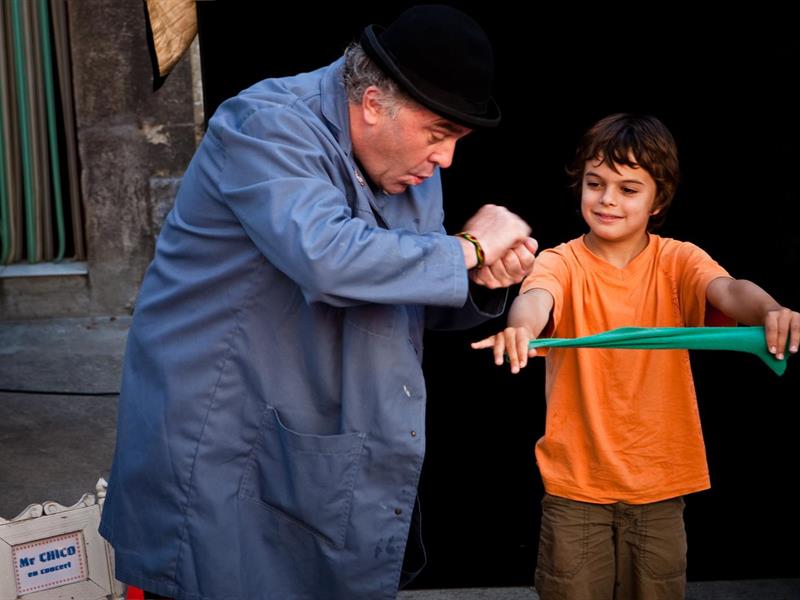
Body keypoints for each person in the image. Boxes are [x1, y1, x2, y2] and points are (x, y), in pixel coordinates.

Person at [99, 5, 538, 600]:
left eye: (456, 140)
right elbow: (328, 258)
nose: (446, 160)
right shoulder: (264, 125)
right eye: (438, 135)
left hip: (315, 439)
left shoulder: (409, 166)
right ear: (374, 102)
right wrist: (466, 249)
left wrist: (483, 278)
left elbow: (399, 288)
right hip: (220, 432)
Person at [472, 113, 799, 599]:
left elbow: (730, 291)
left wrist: (771, 309)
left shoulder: (678, 260)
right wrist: (520, 329)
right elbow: (535, 299)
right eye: (595, 183)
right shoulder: (559, 261)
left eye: (628, 189)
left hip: (662, 486)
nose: (607, 199)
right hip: (575, 489)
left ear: (657, 200)